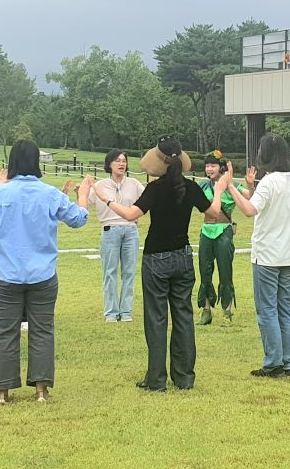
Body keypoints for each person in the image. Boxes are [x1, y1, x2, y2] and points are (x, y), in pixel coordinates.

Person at [93, 136, 226, 392]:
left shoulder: (154, 189)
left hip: (156, 258)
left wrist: (106, 199)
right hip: (183, 256)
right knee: (183, 316)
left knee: (156, 319)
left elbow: (131, 215)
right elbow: (214, 212)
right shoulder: (190, 187)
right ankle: (184, 377)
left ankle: (155, 379)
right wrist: (219, 190)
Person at [0, 140, 93, 404]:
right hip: (43, 274)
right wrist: (83, 195)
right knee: (43, 330)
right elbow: (78, 219)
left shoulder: (2, 193)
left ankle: (2, 391)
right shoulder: (49, 193)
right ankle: (41, 389)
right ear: (37, 162)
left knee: (5, 331)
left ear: (12, 163)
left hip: (8, 274)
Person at [224, 134, 290, 378]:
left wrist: (228, 185)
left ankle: (273, 363)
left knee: (268, 309)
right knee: (285, 308)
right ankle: (287, 363)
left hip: (267, 255)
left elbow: (249, 210)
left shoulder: (270, 182)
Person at [195, 150, 249, 326]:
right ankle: (206, 310)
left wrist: (251, 185)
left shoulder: (231, 186)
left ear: (221, 167)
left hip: (224, 230)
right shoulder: (203, 186)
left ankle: (227, 311)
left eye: (213, 165)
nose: (209, 168)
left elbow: (252, 199)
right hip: (206, 230)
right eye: (207, 165)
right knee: (204, 271)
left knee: (225, 272)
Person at [92, 150, 144, 322]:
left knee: (129, 272)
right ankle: (111, 312)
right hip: (110, 230)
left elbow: (146, 202)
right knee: (110, 272)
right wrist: (80, 192)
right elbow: (87, 201)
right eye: (117, 161)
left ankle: (126, 311)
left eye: (124, 161)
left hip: (131, 230)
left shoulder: (134, 184)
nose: (122, 164)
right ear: (109, 164)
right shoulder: (100, 186)